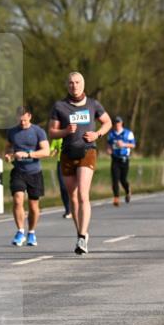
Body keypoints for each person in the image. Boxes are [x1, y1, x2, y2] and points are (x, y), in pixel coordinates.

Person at [48, 72, 112, 255]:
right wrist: (66, 131)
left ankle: (82, 237)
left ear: (83, 84)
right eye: (70, 83)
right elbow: (52, 132)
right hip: (67, 153)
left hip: (87, 151)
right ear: (67, 85)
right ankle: (80, 233)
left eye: (77, 82)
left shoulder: (93, 104)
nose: (74, 86)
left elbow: (106, 122)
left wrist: (97, 134)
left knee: (83, 194)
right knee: (73, 197)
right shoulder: (59, 106)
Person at [5, 105, 50, 247]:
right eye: (20, 120)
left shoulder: (38, 131)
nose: (22, 123)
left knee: (33, 205)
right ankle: (20, 231)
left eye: (24, 120)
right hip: (18, 171)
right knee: (18, 200)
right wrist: (8, 155)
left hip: (34, 172)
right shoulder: (12, 132)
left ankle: (31, 232)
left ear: (29, 116)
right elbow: (8, 147)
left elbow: (46, 151)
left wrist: (28, 154)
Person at [106, 116, 136, 206]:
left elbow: (133, 145)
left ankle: (127, 190)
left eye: (118, 123)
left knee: (123, 179)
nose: (117, 125)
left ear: (122, 123)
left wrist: (124, 144)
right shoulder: (111, 134)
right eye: (115, 123)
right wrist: (108, 150)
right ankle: (116, 198)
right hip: (115, 158)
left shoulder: (128, 133)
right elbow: (108, 145)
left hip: (124, 159)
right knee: (115, 179)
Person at [48, 137, 71, 218]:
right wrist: (52, 152)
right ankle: (68, 210)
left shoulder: (71, 134)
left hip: (72, 161)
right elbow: (52, 150)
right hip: (61, 162)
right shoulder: (57, 138)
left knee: (73, 186)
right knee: (63, 187)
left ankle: (76, 207)